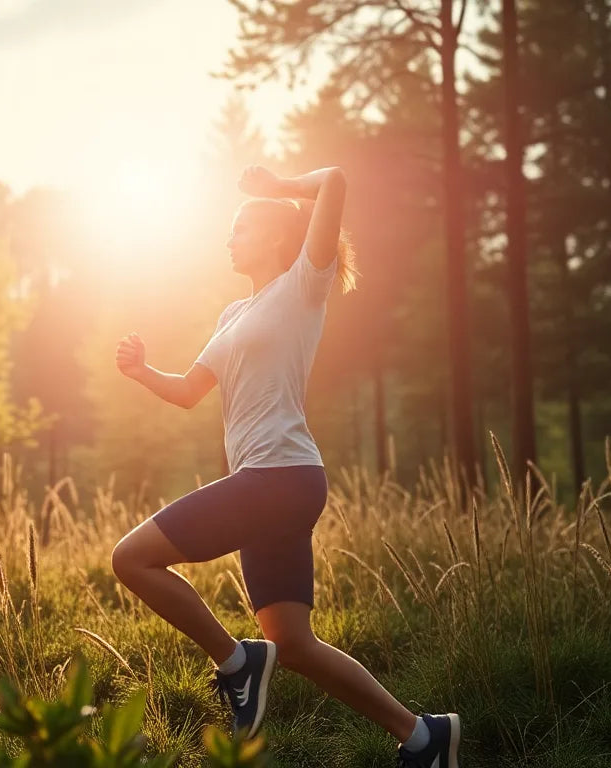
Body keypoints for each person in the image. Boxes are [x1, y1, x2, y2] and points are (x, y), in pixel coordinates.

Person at [110, 165, 460, 768]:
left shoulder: (304, 284)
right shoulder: (230, 314)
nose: (229, 238)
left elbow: (338, 182)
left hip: (278, 476)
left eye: (240, 228)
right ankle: (424, 737)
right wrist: (142, 372)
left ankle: (236, 663)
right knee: (292, 644)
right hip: (276, 485)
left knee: (131, 558)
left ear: (275, 236)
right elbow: (191, 391)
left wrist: (279, 186)